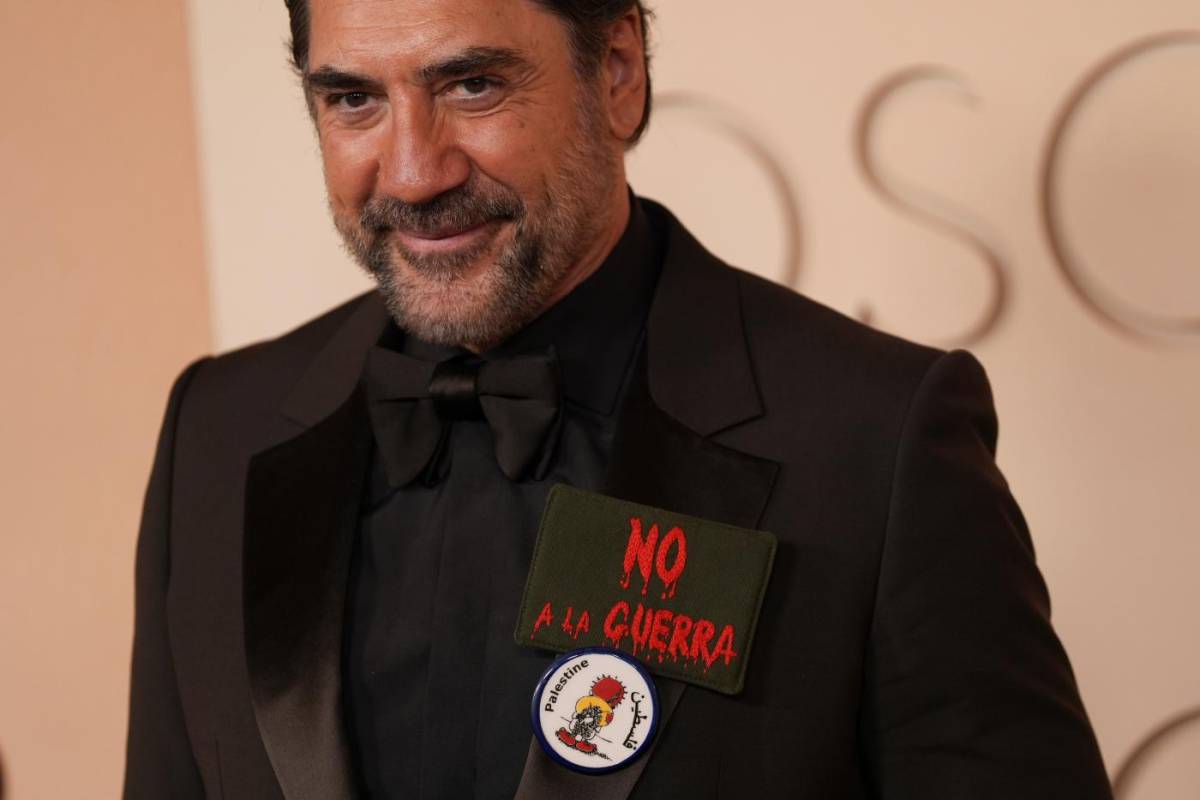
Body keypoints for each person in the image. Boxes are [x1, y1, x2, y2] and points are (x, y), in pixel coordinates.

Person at [123, 1, 1113, 798]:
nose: (415, 173)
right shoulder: (218, 429)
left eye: (473, 85)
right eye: (352, 100)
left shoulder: (875, 438)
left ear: (619, 73)